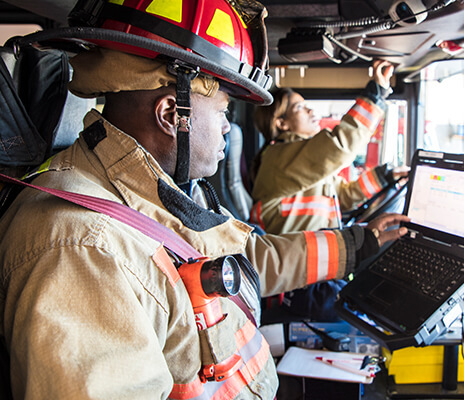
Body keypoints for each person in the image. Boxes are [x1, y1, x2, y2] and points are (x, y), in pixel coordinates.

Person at [0, 0, 409, 399]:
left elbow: (245, 260)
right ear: (169, 114)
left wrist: (359, 244)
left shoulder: (157, 192)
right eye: (222, 113)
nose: (229, 130)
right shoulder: (83, 248)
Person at [250, 60, 408, 235]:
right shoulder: (276, 158)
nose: (310, 111)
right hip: (299, 258)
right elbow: (339, 146)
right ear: (282, 123)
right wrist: (374, 96)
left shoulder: (299, 158)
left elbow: (344, 196)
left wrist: (384, 176)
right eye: (300, 108)